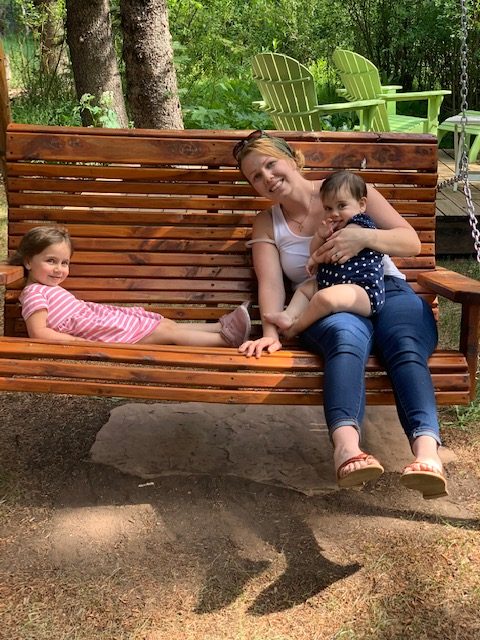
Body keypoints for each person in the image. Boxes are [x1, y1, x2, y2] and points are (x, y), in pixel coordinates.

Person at [233, 130, 447, 499]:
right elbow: (270, 282)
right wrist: (270, 331)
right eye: (256, 175)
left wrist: (364, 238)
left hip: (388, 289)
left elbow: (409, 241)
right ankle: (348, 451)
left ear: (291, 158)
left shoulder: (347, 189)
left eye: (271, 164)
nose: (267, 177)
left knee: (404, 343)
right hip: (324, 296)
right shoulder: (267, 223)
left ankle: (428, 457)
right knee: (345, 337)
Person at [9, 226, 251, 348]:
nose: (59, 269)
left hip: (102, 322)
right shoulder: (33, 293)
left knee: (165, 324)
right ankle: (224, 339)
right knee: (165, 333)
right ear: (29, 261)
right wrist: (76, 343)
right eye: (51, 261)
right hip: (101, 333)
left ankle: (219, 326)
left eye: (64, 263)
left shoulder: (46, 287)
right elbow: (38, 332)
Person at [264, 170, 384, 338]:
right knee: (305, 289)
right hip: (330, 283)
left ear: (362, 204)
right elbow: (314, 252)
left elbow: (330, 249)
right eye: (328, 208)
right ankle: (288, 315)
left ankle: (296, 328)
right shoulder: (332, 228)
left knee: (323, 298)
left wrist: (314, 258)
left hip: (362, 290)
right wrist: (319, 236)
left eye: (342, 206)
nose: (334, 213)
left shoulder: (360, 224)